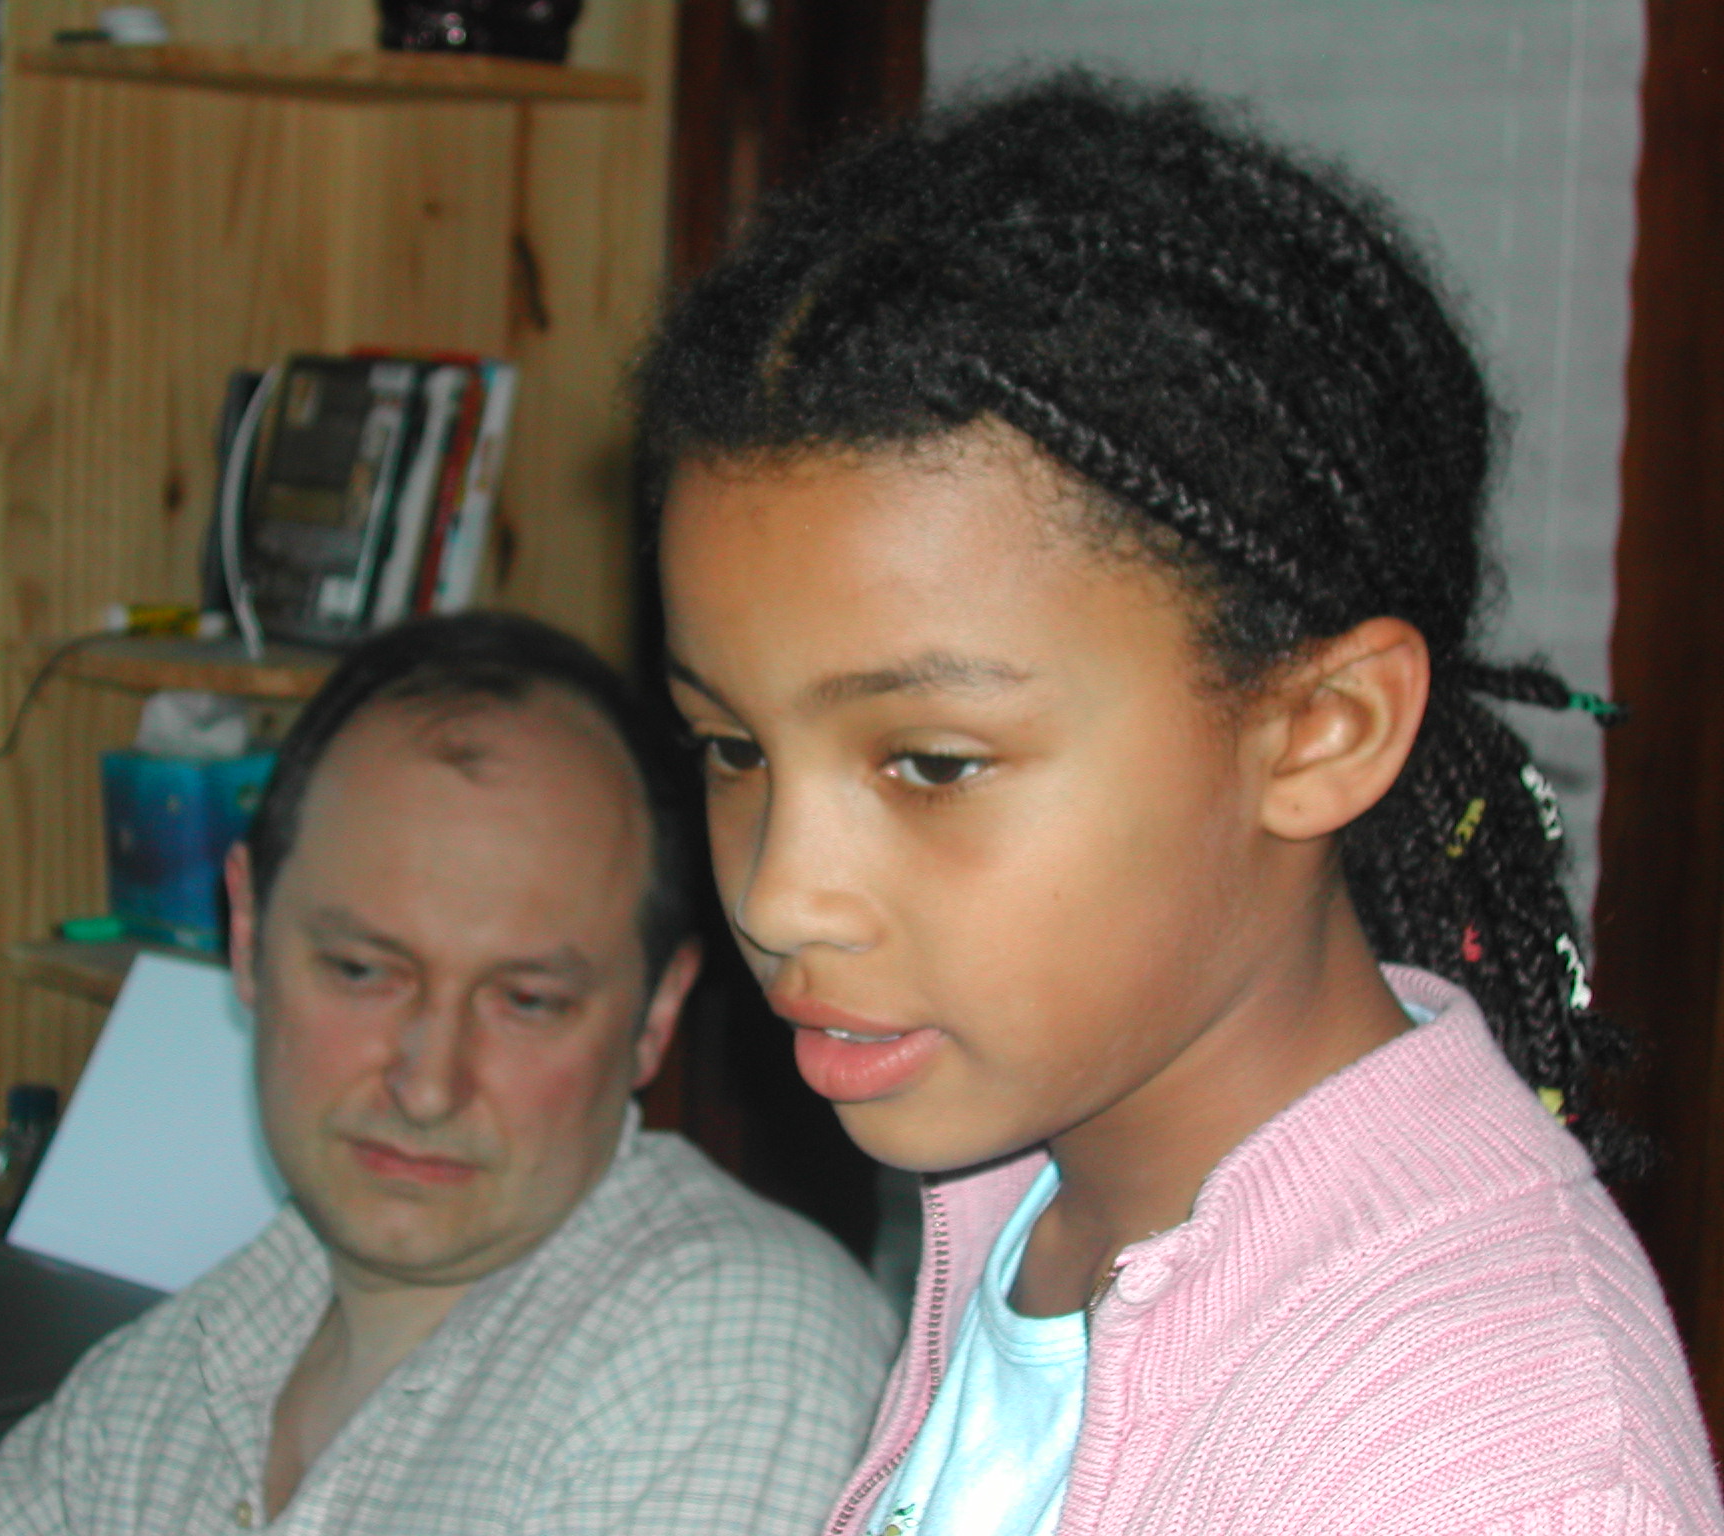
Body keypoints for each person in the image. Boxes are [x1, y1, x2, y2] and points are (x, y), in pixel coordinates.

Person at [639, 72, 1724, 1536]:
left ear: (1321, 732)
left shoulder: (1495, 1475)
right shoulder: (1038, 1200)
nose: (781, 896)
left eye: (934, 764)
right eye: (730, 747)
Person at [0, 612, 898, 1536]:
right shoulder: (165, 1376)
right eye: (362, 972)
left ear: (654, 1015)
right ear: (248, 933)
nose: (428, 1086)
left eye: (527, 1001)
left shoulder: (730, 1354)